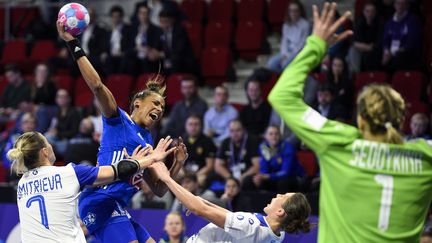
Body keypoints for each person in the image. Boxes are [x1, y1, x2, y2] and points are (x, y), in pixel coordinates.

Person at [268, 3, 432, 242]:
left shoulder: (338, 142)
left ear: (361, 118)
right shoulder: (426, 155)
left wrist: (316, 44)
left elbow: (281, 95)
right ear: (400, 118)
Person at [56, 20, 187, 243]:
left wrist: (178, 164)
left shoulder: (147, 140)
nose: (159, 109)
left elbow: (158, 189)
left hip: (117, 205)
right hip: (99, 199)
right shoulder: (118, 120)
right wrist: (73, 44)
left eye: (162, 107)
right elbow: (97, 85)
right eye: (155, 103)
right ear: (137, 103)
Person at [8, 131, 175, 243]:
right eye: (49, 143)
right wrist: (148, 159)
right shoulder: (69, 173)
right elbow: (117, 171)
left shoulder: (22, 184)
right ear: (45, 151)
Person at [151, 161, 311, 242]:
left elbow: (200, 210)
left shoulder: (251, 226)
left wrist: (166, 178)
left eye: (282, 196)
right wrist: (201, 201)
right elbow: (229, 217)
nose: (277, 195)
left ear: (280, 211)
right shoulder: (277, 234)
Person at [253, 125, 304, 193]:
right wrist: (261, 177)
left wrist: (268, 176)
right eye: (271, 134)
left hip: (292, 177)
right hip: (273, 177)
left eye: (276, 134)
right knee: (252, 181)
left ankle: (283, 203)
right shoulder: (263, 147)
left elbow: (285, 172)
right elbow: (264, 168)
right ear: (266, 136)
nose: (274, 137)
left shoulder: (288, 147)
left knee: (282, 182)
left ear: (280, 135)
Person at [267, 0, 310, 73]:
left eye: (296, 11)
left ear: (300, 12)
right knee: (271, 64)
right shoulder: (286, 24)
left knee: (285, 65)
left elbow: (302, 44)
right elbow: (284, 41)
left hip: (297, 52)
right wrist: (284, 54)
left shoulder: (305, 24)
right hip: (286, 51)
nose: (293, 13)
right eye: (291, 11)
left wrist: (289, 56)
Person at [381, 0, 422, 72]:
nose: (400, 6)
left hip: (405, 51)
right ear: (394, 5)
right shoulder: (389, 21)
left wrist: (393, 53)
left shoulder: (413, 20)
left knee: (399, 57)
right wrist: (386, 51)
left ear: (407, 5)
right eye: (398, 3)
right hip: (390, 51)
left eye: (403, 4)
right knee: (375, 55)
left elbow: (411, 42)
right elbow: (385, 39)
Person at [45, 89, 81, 156]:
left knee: (63, 145)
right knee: (47, 136)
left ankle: (51, 150)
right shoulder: (57, 112)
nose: (61, 99)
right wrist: (52, 131)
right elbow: (53, 127)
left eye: (63, 97)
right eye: (59, 97)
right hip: (57, 139)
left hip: (68, 140)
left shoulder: (74, 112)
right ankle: (51, 150)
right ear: (56, 99)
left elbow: (74, 132)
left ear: (69, 99)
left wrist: (58, 133)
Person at [130, 2, 163, 74]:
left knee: (146, 61)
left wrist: (149, 49)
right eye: (141, 13)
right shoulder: (133, 29)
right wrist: (136, 49)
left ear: (149, 15)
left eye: (145, 13)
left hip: (148, 56)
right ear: (138, 15)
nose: (143, 16)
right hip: (136, 55)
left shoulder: (155, 29)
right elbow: (129, 46)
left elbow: (156, 46)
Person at [182, 115, 217, 185]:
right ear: (186, 126)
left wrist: (194, 177)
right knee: (173, 176)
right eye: (190, 124)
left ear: (201, 126)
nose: (193, 127)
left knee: (200, 180)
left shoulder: (208, 141)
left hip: (201, 173)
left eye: (196, 124)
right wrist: (184, 174)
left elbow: (209, 166)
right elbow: (178, 162)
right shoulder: (182, 140)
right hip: (185, 172)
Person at [350, 2, 382, 72]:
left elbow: (378, 43)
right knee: (352, 51)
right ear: (364, 12)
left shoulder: (379, 23)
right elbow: (354, 42)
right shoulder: (360, 22)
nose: (370, 14)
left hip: (375, 50)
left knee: (370, 55)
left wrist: (368, 47)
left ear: (375, 13)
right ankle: (355, 75)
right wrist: (367, 47)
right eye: (367, 11)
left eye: (372, 11)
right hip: (363, 48)